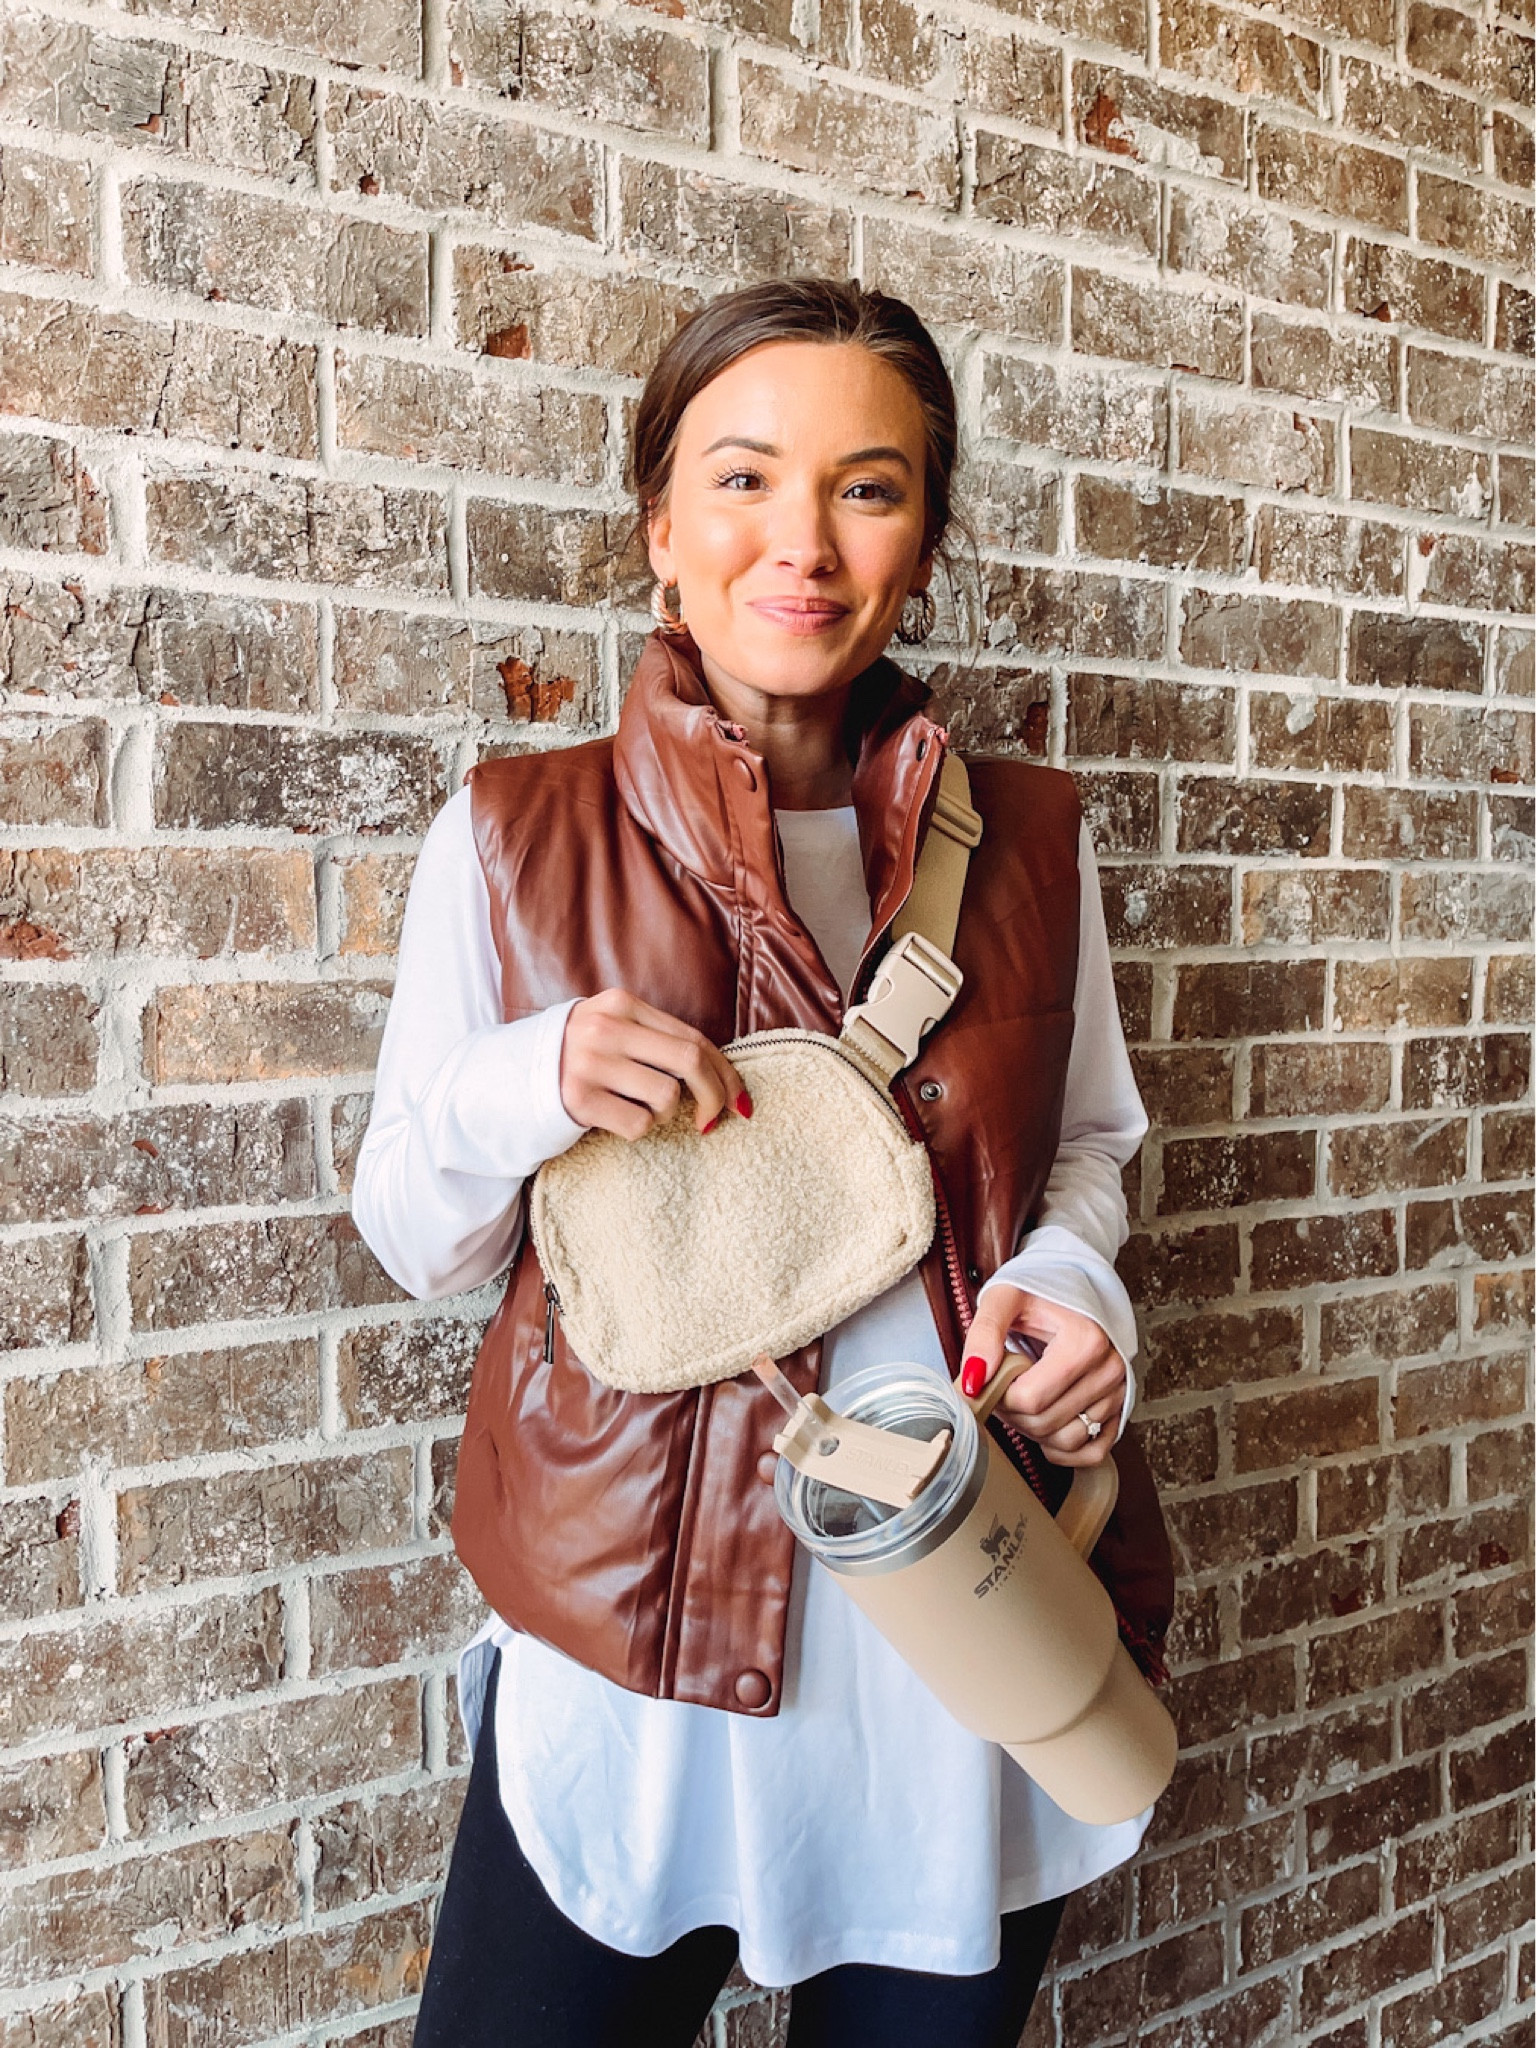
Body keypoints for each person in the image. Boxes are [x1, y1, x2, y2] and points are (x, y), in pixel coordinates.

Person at [352, 278, 1174, 2048]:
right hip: (635, 1654)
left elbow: (1092, 1143)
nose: (799, 542)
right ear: (659, 523)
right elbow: (411, 1235)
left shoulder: (1033, 839)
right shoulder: (511, 834)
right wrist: (530, 1080)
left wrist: (1073, 1281)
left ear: (925, 543)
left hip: (956, 1625)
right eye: (741, 479)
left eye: (867, 488)